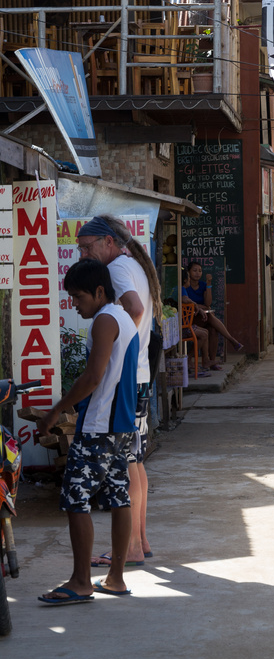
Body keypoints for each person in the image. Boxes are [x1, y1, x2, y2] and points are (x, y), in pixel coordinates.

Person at [38, 260, 139, 604]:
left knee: (75, 498)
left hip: (98, 426)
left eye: (78, 296)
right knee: (117, 498)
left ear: (99, 292)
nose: (74, 303)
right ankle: (115, 578)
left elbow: (93, 377)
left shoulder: (105, 319)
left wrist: (56, 410)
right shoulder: (124, 317)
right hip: (122, 425)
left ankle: (81, 581)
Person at [77, 214, 160, 568]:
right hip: (139, 375)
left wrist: (115, 350)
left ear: (108, 242)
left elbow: (136, 311)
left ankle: (130, 547)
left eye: (87, 247)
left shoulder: (117, 270)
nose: (83, 255)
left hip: (128, 378)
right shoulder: (131, 265)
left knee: (125, 463)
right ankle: (139, 541)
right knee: (134, 461)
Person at [185, 260, 242, 362]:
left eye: (200, 271)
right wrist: (201, 307)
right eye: (194, 270)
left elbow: (208, 303)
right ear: (188, 272)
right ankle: (231, 339)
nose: (197, 273)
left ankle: (211, 361)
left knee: (213, 330)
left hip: (202, 317)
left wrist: (209, 284)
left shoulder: (203, 285)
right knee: (210, 315)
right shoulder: (185, 287)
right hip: (190, 319)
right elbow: (188, 303)